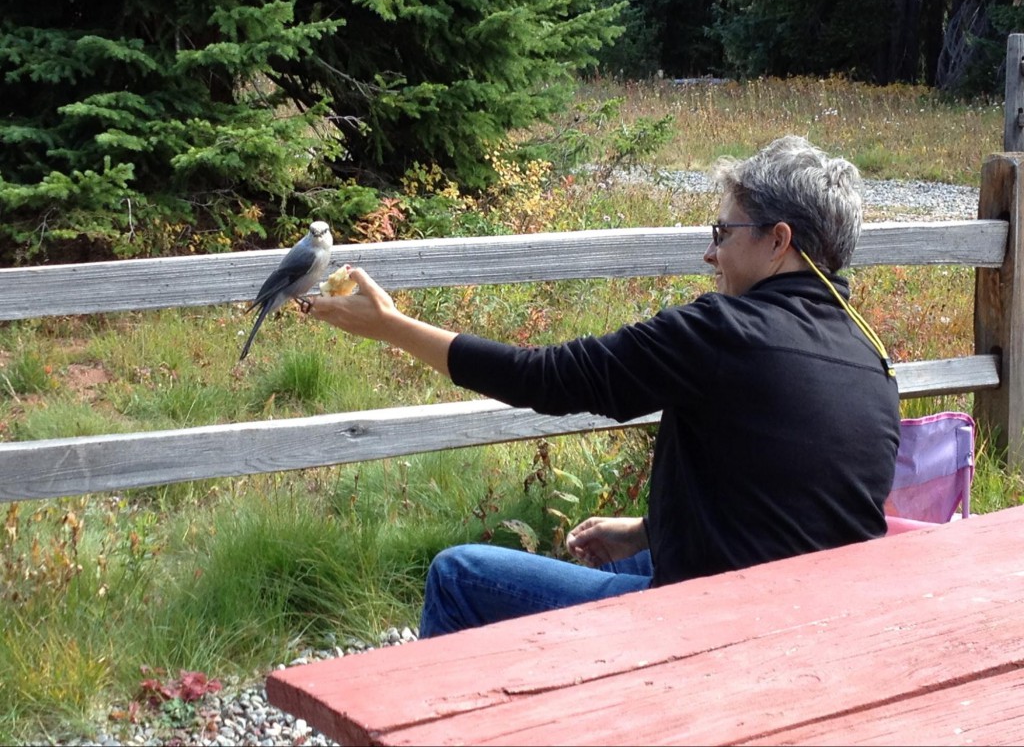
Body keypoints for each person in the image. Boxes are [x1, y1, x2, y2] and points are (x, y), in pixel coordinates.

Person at [307, 135, 901, 638]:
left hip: (711, 633)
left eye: (722, 230)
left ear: (777, 240)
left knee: (458, 574)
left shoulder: (725, 332)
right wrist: (648, 530)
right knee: (635, 554)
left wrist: (390, 327)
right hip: (817, 627)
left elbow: (542, 378)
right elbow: (785, 500)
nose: (709, 252)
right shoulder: (871, 355)